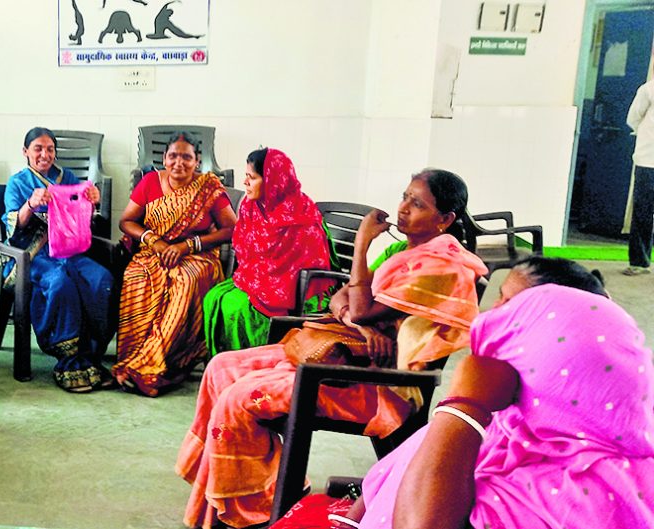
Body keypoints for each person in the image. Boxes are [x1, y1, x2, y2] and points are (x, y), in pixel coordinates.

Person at [177, 169, 488, 528]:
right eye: (405, 197)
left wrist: (361, 245)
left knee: (238, 398)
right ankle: (244, 494)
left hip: (375, 385)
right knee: (221, 367)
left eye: (417, 204)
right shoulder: (402, 250)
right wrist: (359, 323)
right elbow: (343, 298)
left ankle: (256, 512)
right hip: (346, 353)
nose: (403, 208)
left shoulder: (443, 265)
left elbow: (360, 306)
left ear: (444, 219)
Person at [270, 257, 642, 529]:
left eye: (514, 313)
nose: (488, 321)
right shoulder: (506, 422)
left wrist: (465, 406)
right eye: (499, 301)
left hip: (384, 388)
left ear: (561, 347)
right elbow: (397, 468)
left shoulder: (590, 488)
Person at [113, 131, 237, 397]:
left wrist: (189, 245)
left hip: (198, 256)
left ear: (197, 160)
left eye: (186, 157)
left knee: (185, 281)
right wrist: (155, 241)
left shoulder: (208, 187)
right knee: (136, 276)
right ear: (164, 158)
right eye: (173, 156)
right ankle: (134, 358)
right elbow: (126, 221)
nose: (179, 162)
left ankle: (153, 366)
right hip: (154, 252)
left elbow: (232, 229)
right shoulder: (150, 182)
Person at [1, 127, 113, 392]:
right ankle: (67, 360)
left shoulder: (67, 177)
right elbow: (13, 227)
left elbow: (81, 217)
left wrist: (93, 202)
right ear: (25, 151)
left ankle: (90, 355)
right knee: (60, 284)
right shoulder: (18, 182)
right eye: (38, 148)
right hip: (32, 255)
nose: (45, 154)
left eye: (50, 149)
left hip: (69, 251)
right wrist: (30, 204)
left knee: (101, 279)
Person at [202, 148, 336, 357]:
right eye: (246, 176)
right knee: (214, 297)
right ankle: (222, 366)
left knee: (236, 308)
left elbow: (300, 268)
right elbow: (245, 250)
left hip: (292, 289)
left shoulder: (301, 218)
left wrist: (260, 278)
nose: (245, 182)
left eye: (252, 177)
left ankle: (249, 365)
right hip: (256, 277)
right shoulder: (252, 207)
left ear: (274, 182)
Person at [624, 81, 654, 276]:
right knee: (643, 212)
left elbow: (633, 120)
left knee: (643, 212)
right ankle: (639, 262)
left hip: (648, 158)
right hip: (648, 160)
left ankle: (639, 262)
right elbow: (633, 119)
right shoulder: (649, 89)